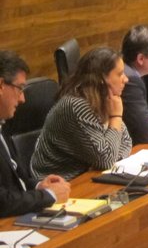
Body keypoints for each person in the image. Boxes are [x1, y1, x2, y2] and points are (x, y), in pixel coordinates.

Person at [31, 47, 133, 181]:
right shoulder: (77, 106)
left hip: (89, 174)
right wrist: (116, 117)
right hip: (61, 182)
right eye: (120, 74)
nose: (126, 79)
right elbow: (107, 159)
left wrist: (109, 155)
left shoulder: (107, 99)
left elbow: (126, 142)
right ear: (102, 78)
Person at [0, 51, 70, 217]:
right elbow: (2, 201)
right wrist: (49, 196)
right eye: (20, 88)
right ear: (1, 85)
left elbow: (17, 181)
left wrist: (40, 186)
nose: (23, 99)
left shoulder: (3, 125)